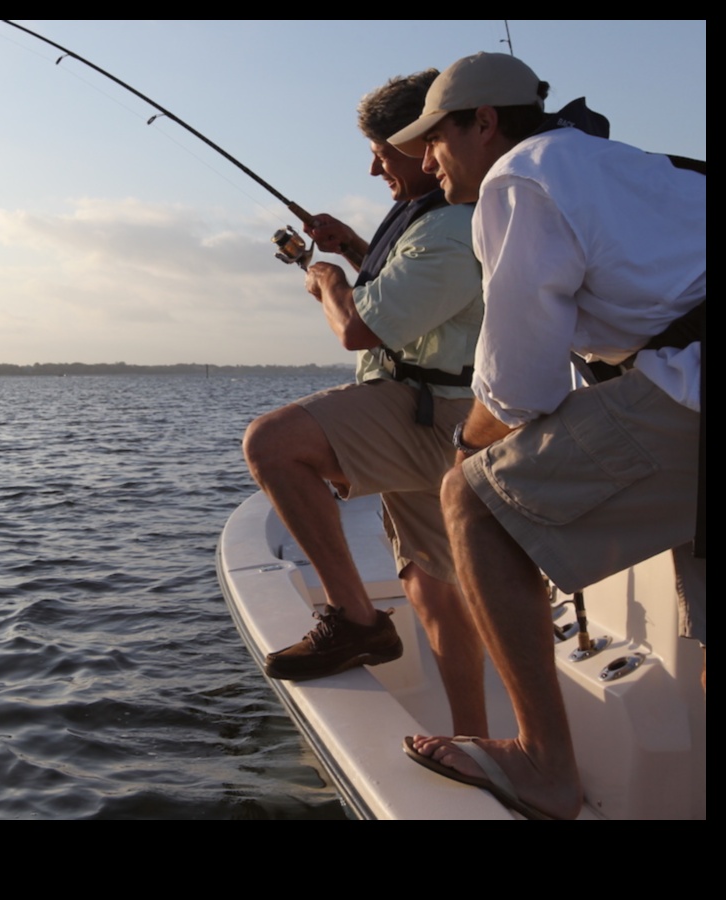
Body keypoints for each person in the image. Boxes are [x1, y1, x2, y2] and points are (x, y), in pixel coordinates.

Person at [388, 52, 706, 820]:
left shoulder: (519, 176)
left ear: (485, 122)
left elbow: (520, 389)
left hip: (688, 387)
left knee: (472, 502)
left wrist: (465, 449)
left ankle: (543, 767)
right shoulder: (648, 168)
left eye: (435, 136)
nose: (426, 160)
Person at [242, 70, 488, 738]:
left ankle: (356, 623)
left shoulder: (447, 228)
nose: (374, 165)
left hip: (427, 417)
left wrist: (325, 279)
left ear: (422, 142)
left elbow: (358, 327)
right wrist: (352, 246)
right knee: (432, 586)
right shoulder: (437, 217)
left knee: (272, 445)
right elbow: (414, 298)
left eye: (382, 150)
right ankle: (472, 740)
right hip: (441, 417)